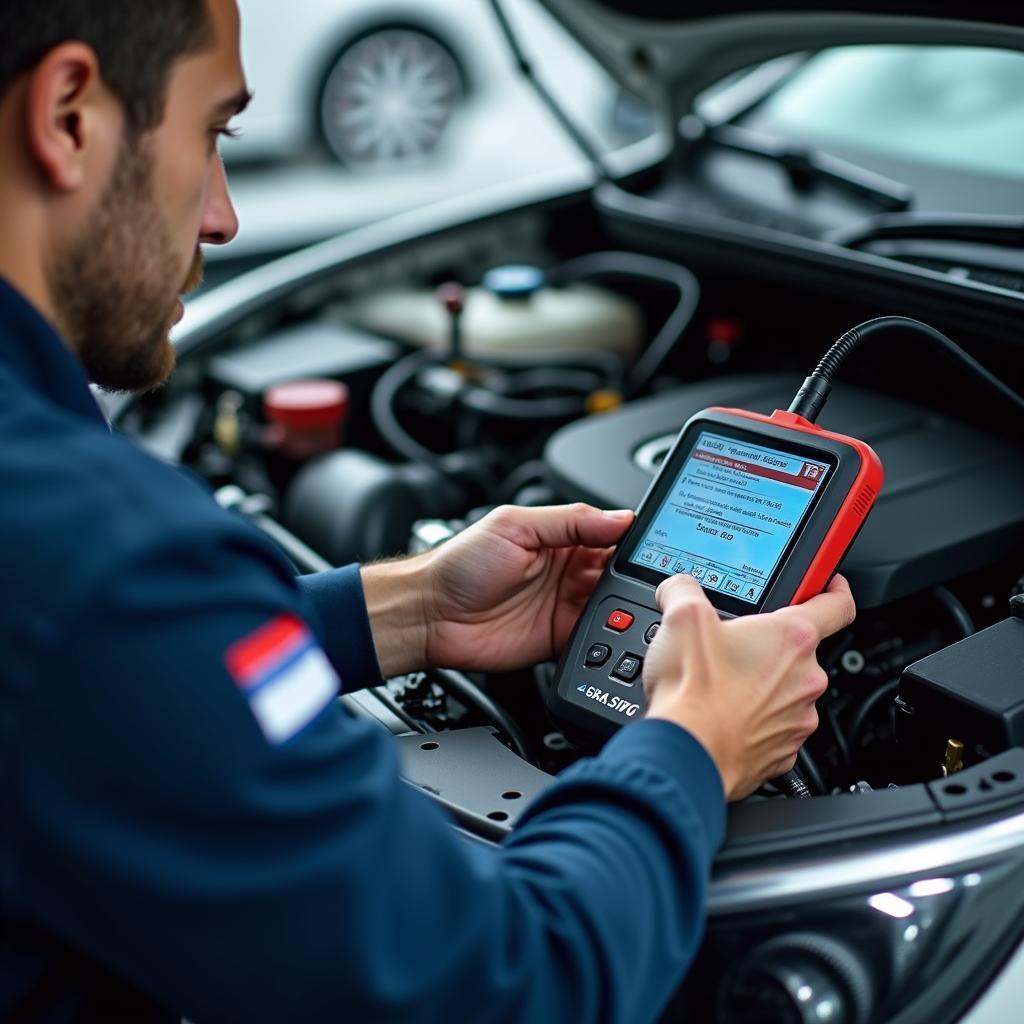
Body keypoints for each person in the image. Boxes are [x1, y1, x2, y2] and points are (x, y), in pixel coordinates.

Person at [0, 2, 855, 1021]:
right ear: (66, 116)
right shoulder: (95, 554)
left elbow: (107, 689)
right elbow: (503, 984)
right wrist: (691, 745)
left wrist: (406, 609)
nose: (223, 216)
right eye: (212, 133)